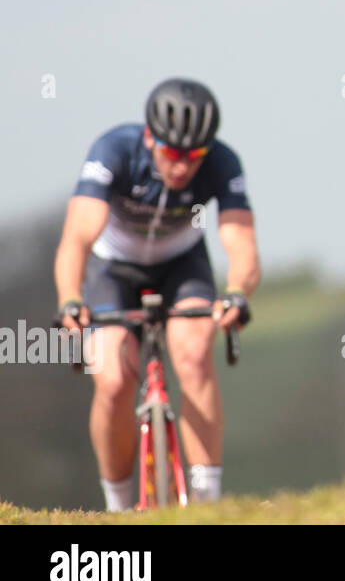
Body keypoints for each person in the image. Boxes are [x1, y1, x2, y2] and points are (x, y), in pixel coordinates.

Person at [54, 78, 258, 510]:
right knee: (112, 380)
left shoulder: (223, 162)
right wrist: (70, 299)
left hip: (182, 264)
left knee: (194, 354)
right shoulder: (113, 151)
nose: (183, 166)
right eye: (172, 153)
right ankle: (119, 506)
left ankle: (206, 505)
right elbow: (76, 238)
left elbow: (241, 243)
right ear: (150, 138)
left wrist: (237, 293)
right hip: (113, 268)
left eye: (194, 155)